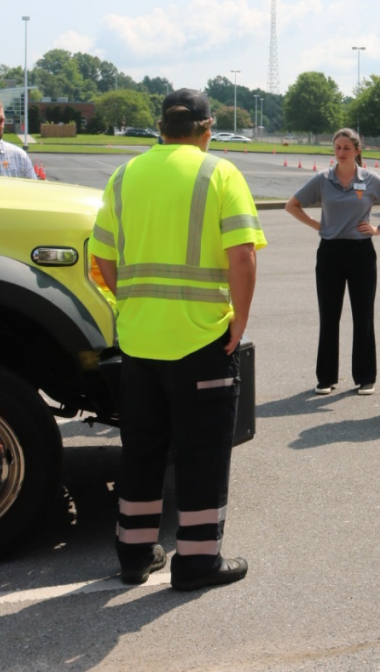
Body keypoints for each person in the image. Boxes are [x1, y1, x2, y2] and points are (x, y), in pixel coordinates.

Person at [90, 89, 266, 591]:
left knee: (141, 449)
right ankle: (197, 561)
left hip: (140, 340)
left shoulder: (125, 176)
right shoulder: (218, 173)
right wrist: (240, 319)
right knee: (202, 452)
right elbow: (242, 257)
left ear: (161, 129)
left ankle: (135, 552)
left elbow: (101, 257)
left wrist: (134, 300)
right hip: (201, 338)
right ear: (207, 128)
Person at [285, 128, 380, 395]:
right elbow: (292, 205)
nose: (341, 152)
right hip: (330, 252)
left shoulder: (370, 179)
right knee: (329, 315)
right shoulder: (323, 180)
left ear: (358, 150)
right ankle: (326, 377)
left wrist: (379, 229)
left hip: (361, 253)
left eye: (346, 147)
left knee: (363, 315)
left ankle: (365, 377)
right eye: (337, 147)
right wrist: (317, 225)